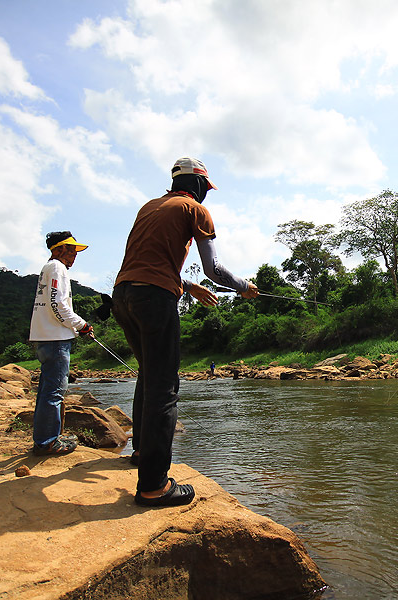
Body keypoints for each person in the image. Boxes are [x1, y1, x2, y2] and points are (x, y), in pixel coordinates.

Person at [113, 157, 258, 507]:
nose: (206, 195)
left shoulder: (150, 207)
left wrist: (187, 286)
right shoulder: (195, 210)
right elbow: (215, 269)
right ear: (198, 185)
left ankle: (141, 454)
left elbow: (146, 262)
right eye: (206, 188)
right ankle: (154, 486)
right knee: (164, 387)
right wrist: (243, 286)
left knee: (148, 375)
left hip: (124, 296)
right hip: (155, 298)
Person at [28, 231, 94, 456]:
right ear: (57, 250)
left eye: (75, 252)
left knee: (46, 391)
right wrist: (82, 324)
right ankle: (47, 442)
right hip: (56, 339)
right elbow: (58, 305)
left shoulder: (48, 268)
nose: (74, 256)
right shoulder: (57, 268)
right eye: (70, 251)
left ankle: (44, 439)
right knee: (54, 392)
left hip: (47, 338)